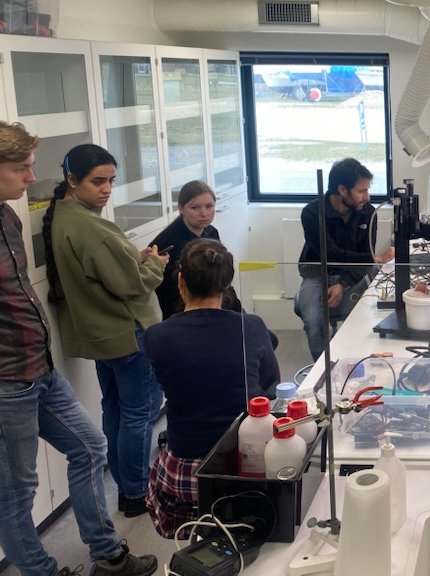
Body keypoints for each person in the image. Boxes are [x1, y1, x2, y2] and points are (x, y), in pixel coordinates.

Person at [0, 121, 158, 576]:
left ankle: (107, 557)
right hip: (8, 382)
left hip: (40, 368)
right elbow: (128, 283)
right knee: (17, 492)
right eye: (21, 169)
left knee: (91, 448)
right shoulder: (83, 226)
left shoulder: (9, 216)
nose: (32, 179)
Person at [43, 144, 166, 519]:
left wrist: (132, 258)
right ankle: (135, 491)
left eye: (111, 180)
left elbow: (104, 271)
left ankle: (126, 482)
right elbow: (130, 285)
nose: (106, 189)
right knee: (139, 413)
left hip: (103, 337)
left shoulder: (65, 217)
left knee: (115, 408)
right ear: (71, 180)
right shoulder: (90, 225)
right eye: (98, 181)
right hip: (127, 334)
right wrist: (156, 265)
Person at [144, 239, 280, 538]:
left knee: (199, 542)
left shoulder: (157, 336)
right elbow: (270, 388)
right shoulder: (252, 327)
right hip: (245, 461)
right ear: (227, 284)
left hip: (186, 469)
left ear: (180, 281)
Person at [294, 158, 394, 359]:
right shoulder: (313, 213)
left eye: (367, 190)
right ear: (342, 190)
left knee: (357, 321)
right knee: (314, 322)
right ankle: (322, 373)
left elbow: (362, 262)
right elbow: (330, 254)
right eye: (361, 191)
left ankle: (354, 367)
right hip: (317, 274)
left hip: (353, 276)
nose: (367, 197)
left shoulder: (368, 213)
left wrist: (343, 284)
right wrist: (374, 259)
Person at [152, 180, 219, 319]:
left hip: (209, 302)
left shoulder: (212, 233)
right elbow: (166, 291)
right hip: (179, 311)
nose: (204, 213)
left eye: (209, 206)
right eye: (195, 208)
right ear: (181, 209)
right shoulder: (168, 242)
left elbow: (219, 274)